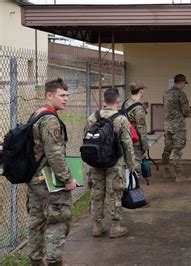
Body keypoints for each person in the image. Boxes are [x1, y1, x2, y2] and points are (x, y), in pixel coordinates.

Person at [27, 78, 77, 266]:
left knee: (36, 221)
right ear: (50, 95)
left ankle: (36, 261)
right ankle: (54, 261)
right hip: (49, 181)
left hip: (34, 179)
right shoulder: (50, 120)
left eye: (67, 95)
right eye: (62, 95)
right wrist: (67, 179)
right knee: (58, 221)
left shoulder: (37, 114)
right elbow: (54, 154)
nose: (66, 99)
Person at [86, 88, 135, 239]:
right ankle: (115, 226)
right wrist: (131, 164)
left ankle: (97, 226)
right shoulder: (121, 119)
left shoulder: (92, 117)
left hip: (96, 161)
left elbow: (87, 138)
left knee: (97, 192)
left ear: (104, 101)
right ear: (118, 102)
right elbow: (127, 144)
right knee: (114, 192)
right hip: (114, 162)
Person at [162, 74, 191, 182]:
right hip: (178, 127)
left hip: (168, 126)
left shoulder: (165, 93)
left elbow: (170, 108)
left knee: (167, 148)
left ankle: (166, 170)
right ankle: (178, 175)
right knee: (178, 150)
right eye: (184, 84)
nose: (184, 86)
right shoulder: (181, 94)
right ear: (181, 83)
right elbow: (185, 111)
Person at [122, 81, 150, 179]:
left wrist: (144, 108)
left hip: (126, 137)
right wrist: (145, 147)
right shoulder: (138, 107)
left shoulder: (126, 102)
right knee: (136, 166)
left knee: (126, 165)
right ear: (141, 91)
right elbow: (141, 128)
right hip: (135, 140)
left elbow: (130, 117)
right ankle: (133, 191)